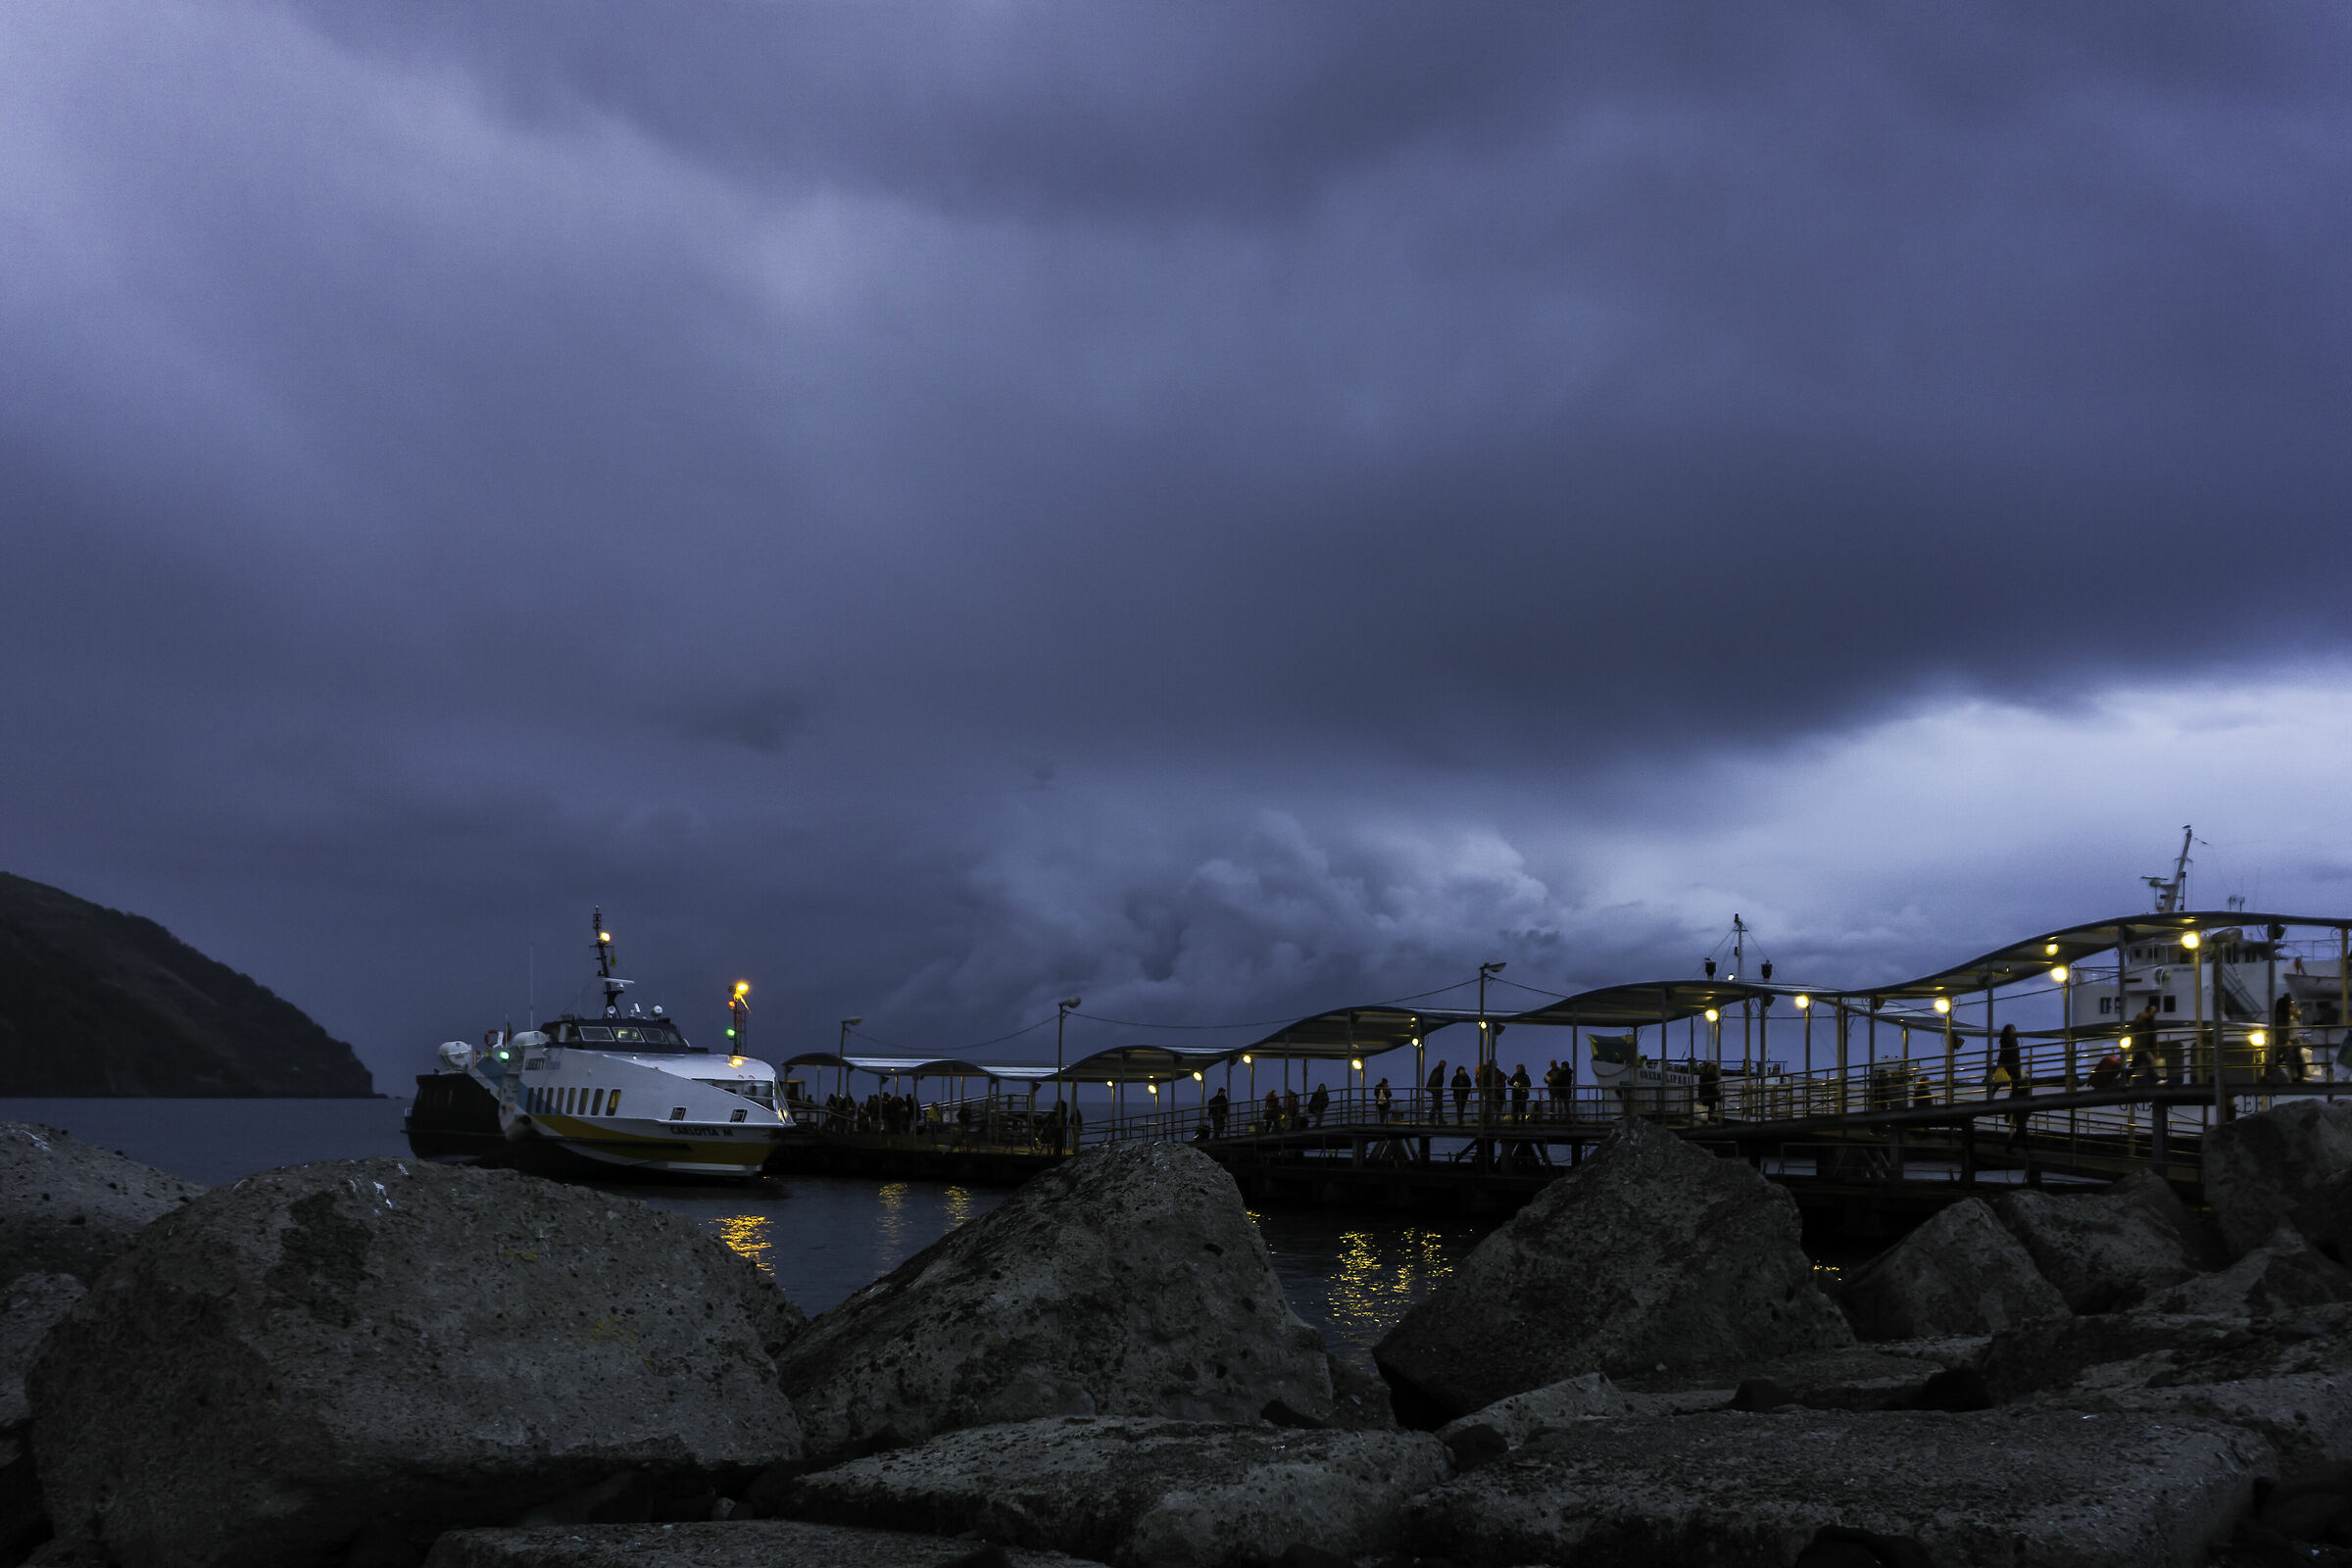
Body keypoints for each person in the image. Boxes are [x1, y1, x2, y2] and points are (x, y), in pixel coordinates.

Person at [1996, 1022, 2028, 1148]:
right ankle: (2007, 1112)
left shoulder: (2009, 1041)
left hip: (2015, 1067)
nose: (2015, 1031)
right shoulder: (2008, 1042)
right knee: (2015, 1088)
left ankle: (2007, 1112)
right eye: (2013, 1029)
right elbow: (2005, 1055)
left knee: (2015, 1089)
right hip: (2013, 1067)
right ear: (2009, 1031)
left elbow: (2003, 1055)